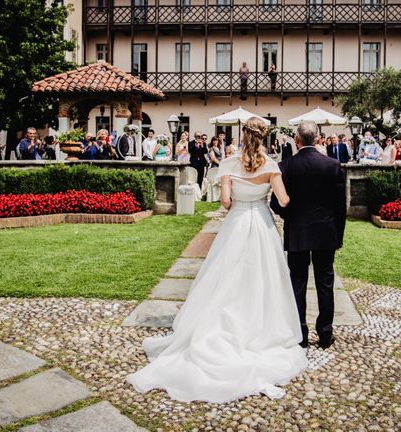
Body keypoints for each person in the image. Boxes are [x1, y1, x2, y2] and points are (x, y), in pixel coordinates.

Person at [127, 117, 307, 402]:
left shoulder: (228, 164)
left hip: (236, 224)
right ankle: (261, 328)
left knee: (226, 275)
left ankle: (220, 324)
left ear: (242, 135)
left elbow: (225, 201)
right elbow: (283, 201)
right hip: (261, 225)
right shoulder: (272, 166)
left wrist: (239, 195)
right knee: (264, 276)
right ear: (264, 137)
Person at [271, 120, 346, 350]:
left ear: (297, 140)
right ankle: (325, 334)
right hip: (326, 232)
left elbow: (276, 203)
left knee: (298, 283)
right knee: (325, 283)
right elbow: (340, 206)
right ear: (318, 139)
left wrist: (291, 217)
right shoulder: (333, 165)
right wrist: (338, 235)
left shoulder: (286, 166)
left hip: (298, 232)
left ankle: (300, 333)